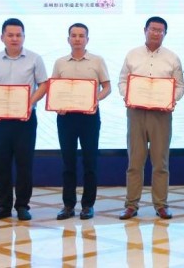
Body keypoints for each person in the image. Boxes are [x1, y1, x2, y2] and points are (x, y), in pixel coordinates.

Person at [117, 17, 184, 220]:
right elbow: (122, 81)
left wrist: (170, 99)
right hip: (136, 113)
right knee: (135, 162)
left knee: (160, 162)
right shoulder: (132, 55)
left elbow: (180, 86)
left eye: (160, 30)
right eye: (152, 29)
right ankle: (131, 205)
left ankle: (161, 205)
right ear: (145, 30)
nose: (156, 33)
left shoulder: (172, 58)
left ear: (165, 33)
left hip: (161, 115)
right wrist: (128, 96)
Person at [0, 18, 48, 221]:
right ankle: (3, 206)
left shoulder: (35, 59)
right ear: (2, 37)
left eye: (19, 35)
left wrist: (29, 102)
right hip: (0, 122)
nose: (14, 38)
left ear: (24, 37)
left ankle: (22, 206)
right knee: (1, 164)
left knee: (24, 165)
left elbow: (44, 85)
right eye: (10, 35)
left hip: (25, 121)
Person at [52, 23, 111, 220]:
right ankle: (68, 205)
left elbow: (107, 87)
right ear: (68, 39)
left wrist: (95, 99)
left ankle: (88, 205)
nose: (77, 39)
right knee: (68, 162)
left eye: (81, 35)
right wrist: (57, 104)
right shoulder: (60, 63)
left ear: (87, 39)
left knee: (90, 162)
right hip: (66, 118)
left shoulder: (97, 61)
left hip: (89, 117)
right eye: (74, 35)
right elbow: (54, 89)